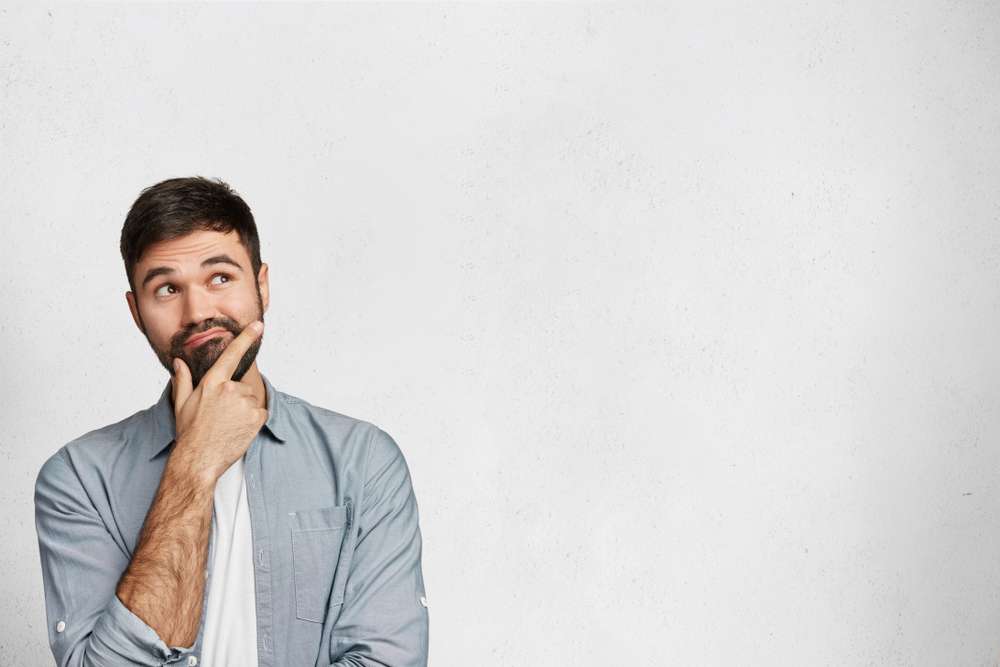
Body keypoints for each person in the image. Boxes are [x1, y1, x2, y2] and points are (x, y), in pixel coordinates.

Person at [32, 176, 429, 666]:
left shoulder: (362, 461)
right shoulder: (78, 480)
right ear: (136, 313)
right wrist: (194, 464)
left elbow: (385, 660)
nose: (198, 311)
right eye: (167, 288)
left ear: (261, 284)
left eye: (220, 277)